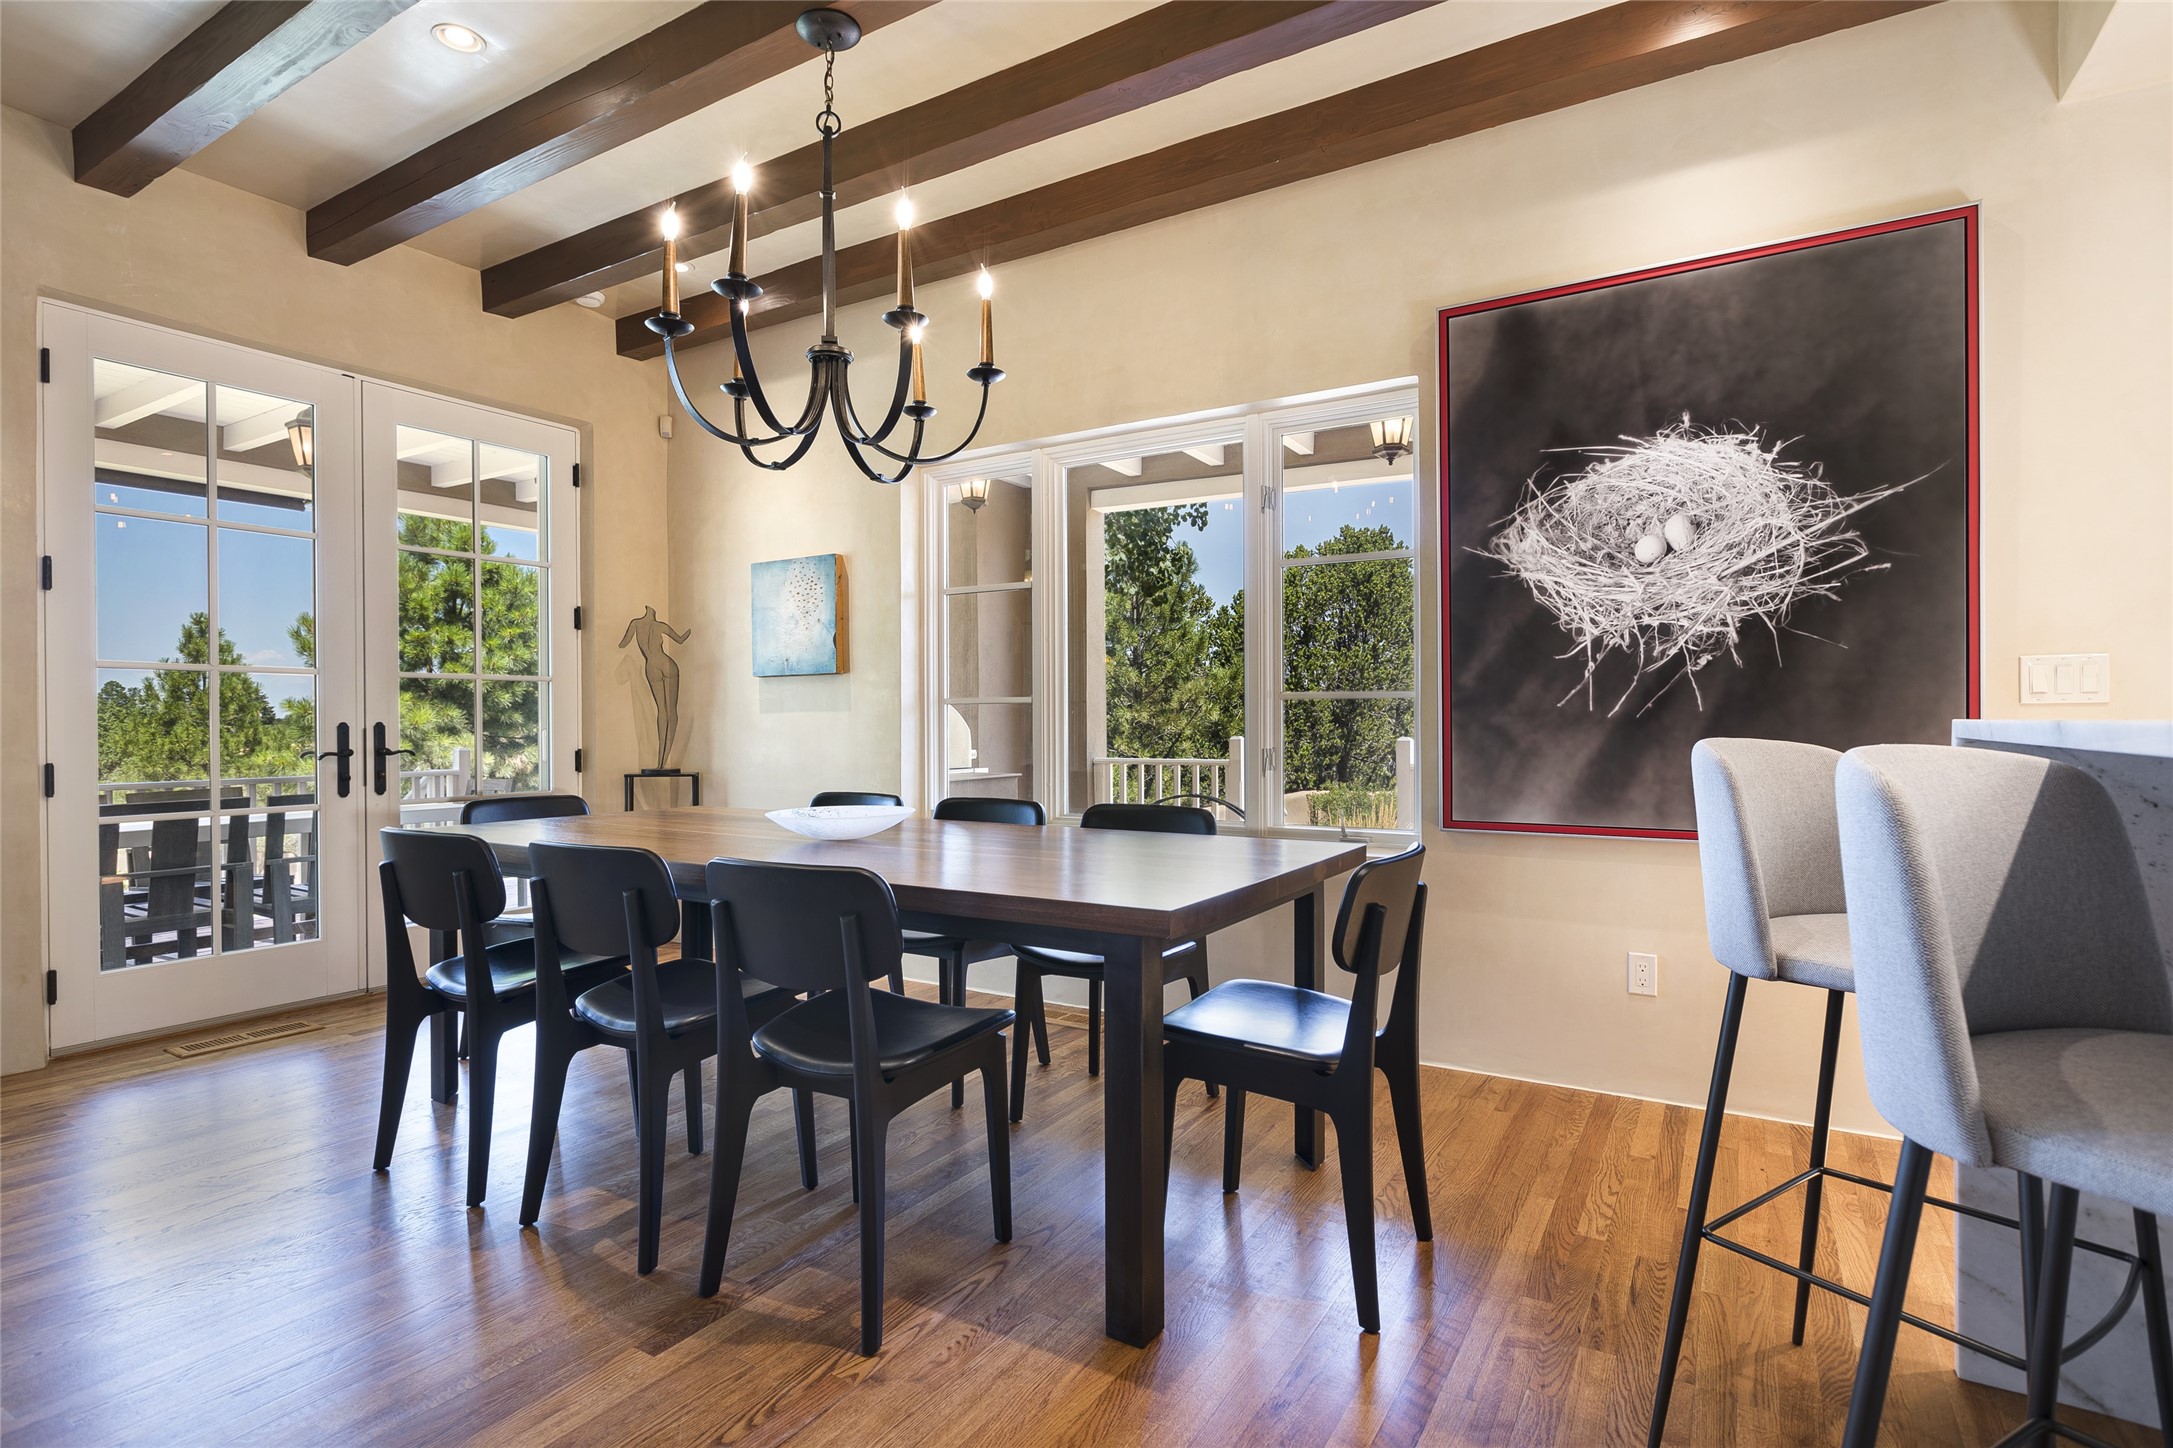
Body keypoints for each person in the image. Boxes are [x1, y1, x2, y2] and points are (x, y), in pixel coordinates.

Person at [619, 606, 690, 770]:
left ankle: (660, 762)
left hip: (651, 666)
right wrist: (690, 631)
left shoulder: (635, 624)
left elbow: (623, 644)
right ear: (653, 612)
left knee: (662, 711)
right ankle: (663, 761)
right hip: (666, 663)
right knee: (672, 712)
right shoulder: (660, 626)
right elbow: (681, 639)